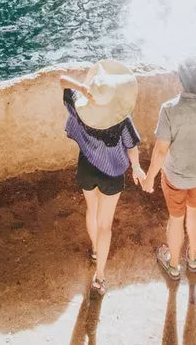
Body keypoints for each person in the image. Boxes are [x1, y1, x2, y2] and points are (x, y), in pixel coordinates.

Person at [59, 61, 144, 296]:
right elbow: (131, 146)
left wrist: (85, 89)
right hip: (112, 173)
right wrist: (136, 168)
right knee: (105, 224)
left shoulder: (79, 105)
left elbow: (63, 80)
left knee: (91, 210)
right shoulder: (121, 119)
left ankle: (95, 250)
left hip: (87, 167)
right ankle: (100, 276)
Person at [143, 59, 196, 281]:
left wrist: (149, 178)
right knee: (195, 209)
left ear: (180, 80)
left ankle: (174, 264)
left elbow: (161, 151)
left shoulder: (169, 109)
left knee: (176, 218)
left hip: (175, 177)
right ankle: (193, 257)